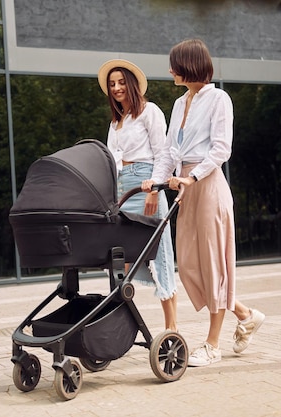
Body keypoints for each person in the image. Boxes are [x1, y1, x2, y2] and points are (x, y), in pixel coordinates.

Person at [142, 39, 265, 366]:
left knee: (213, 265)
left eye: (175, 64)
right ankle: (246, 314)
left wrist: (192, 177)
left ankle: (212, 344)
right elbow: (169, 151)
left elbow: (221, 150)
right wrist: (156, 183)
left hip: (208, 187)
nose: (170, 70)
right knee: (190, 263)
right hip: (186, 190)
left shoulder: (219, 99)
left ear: (190, 65)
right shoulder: (180, 104)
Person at [97, 59, 178, 331]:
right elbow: (112, 160)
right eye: (112, 84)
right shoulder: (116, 122)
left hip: (145, 185)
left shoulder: (149, 111)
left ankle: (172, 327)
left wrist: (156, 186)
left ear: (131, 83)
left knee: (160, 253)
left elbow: (163, 152)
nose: (117, 88)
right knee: (122, 258)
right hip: (122, 187)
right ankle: (117, 325)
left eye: (121, 82)